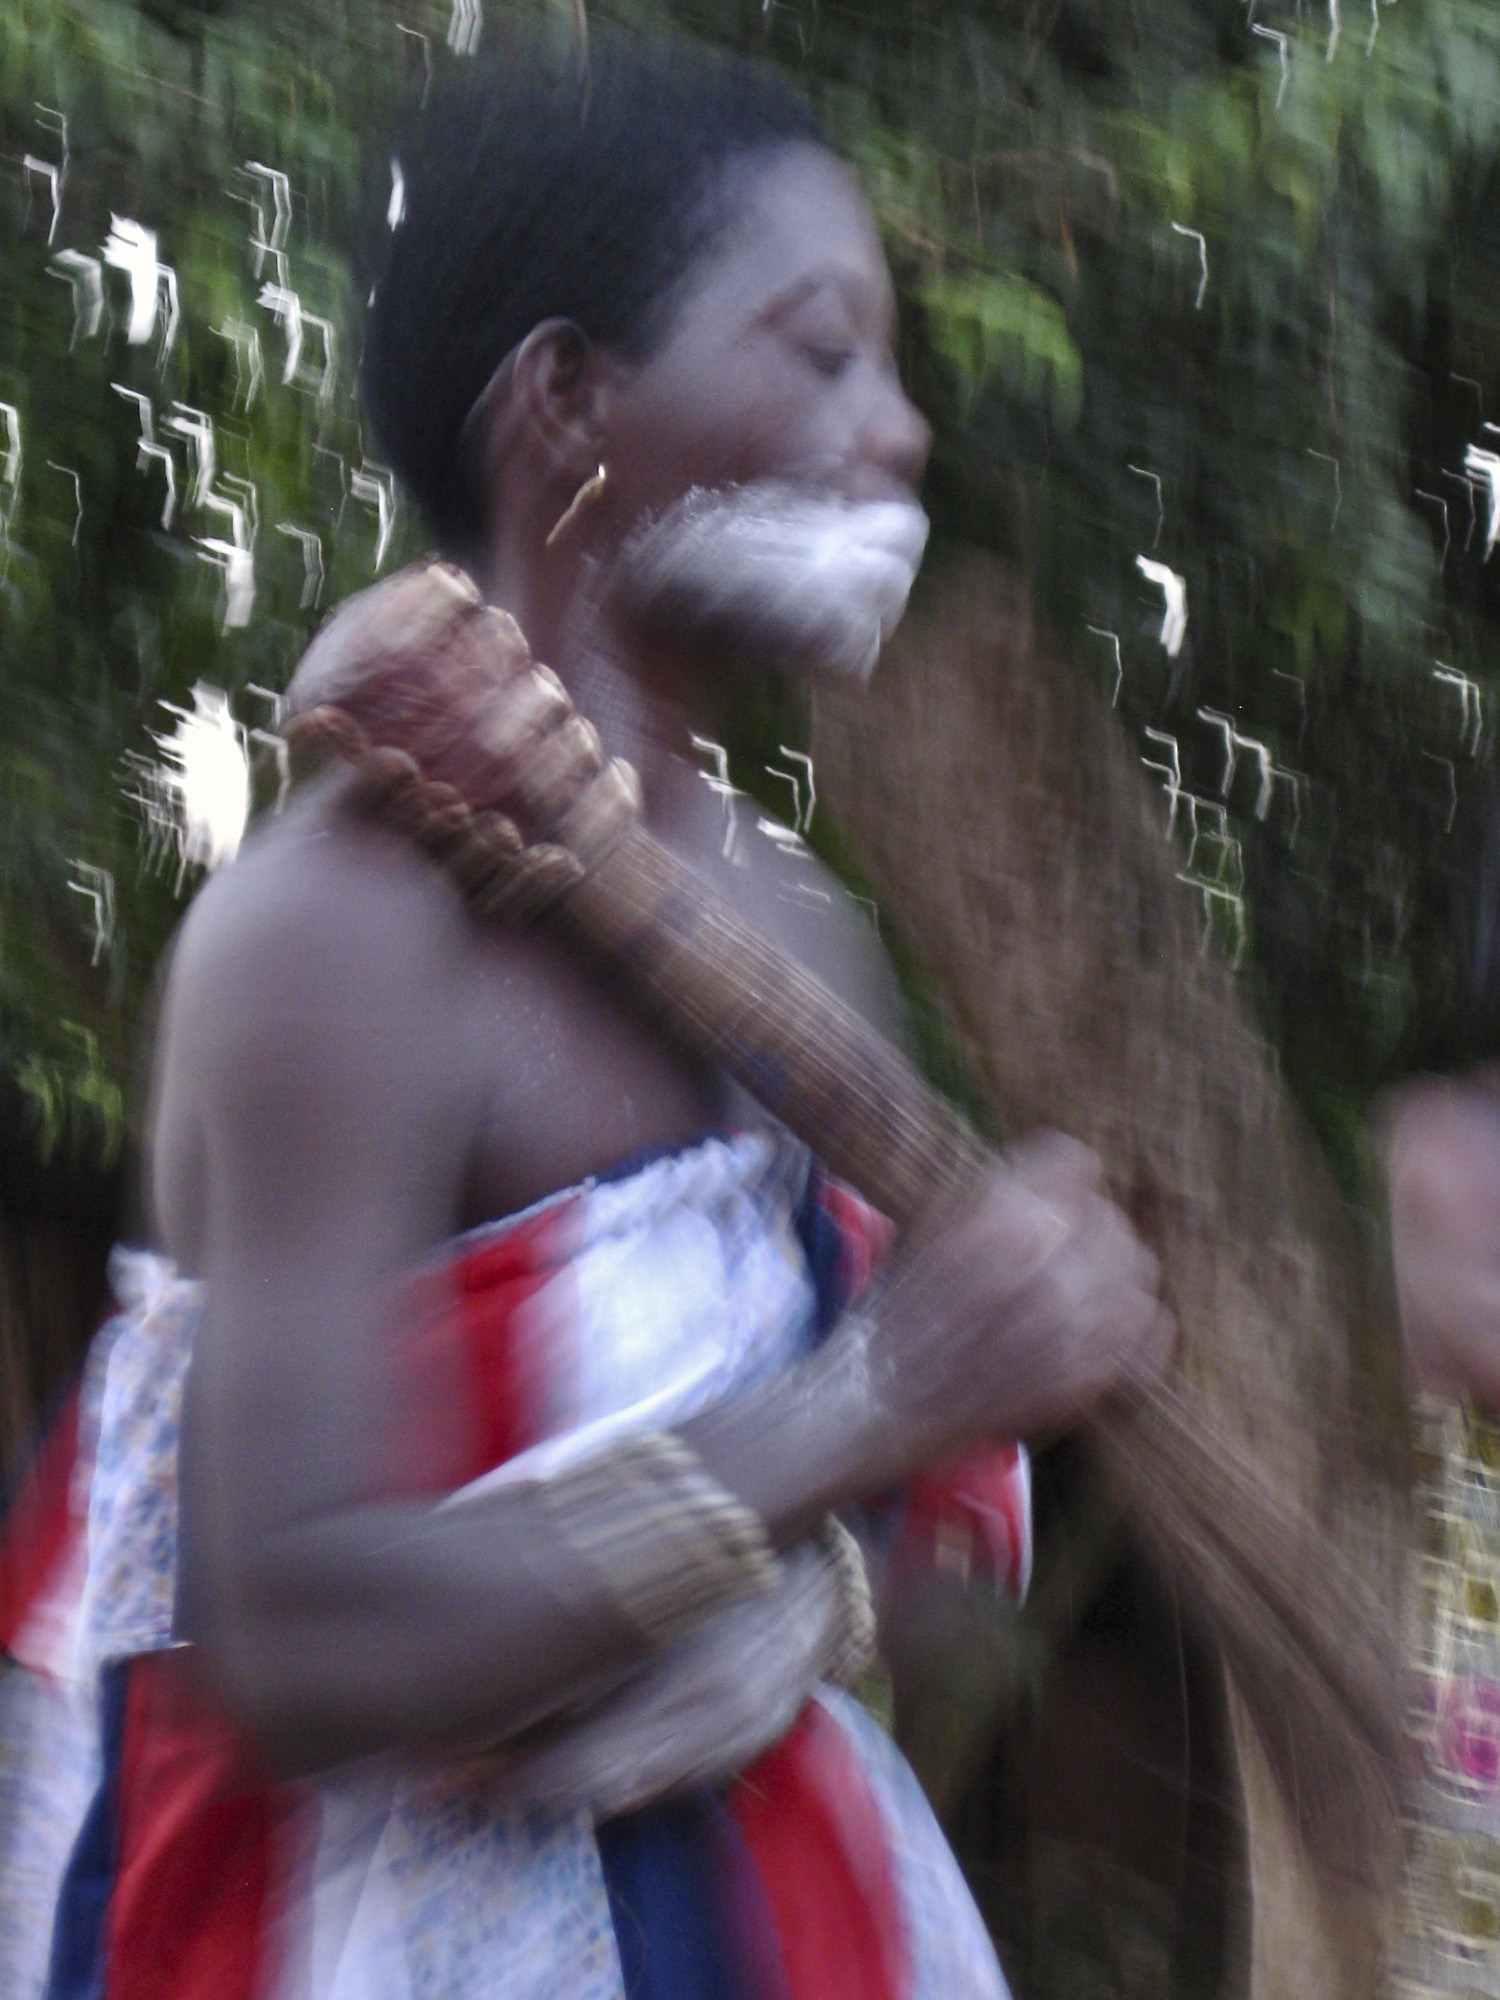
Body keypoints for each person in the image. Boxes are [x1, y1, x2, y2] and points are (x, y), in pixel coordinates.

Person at [0, 32, 1171, 2000]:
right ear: (567, 404)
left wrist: (974, 1439)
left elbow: (878, 1593)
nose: (895, 432)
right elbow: (293, 1643)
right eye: (820, 351)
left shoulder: (802, 926)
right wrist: (882, 1395)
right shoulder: (338, 937)